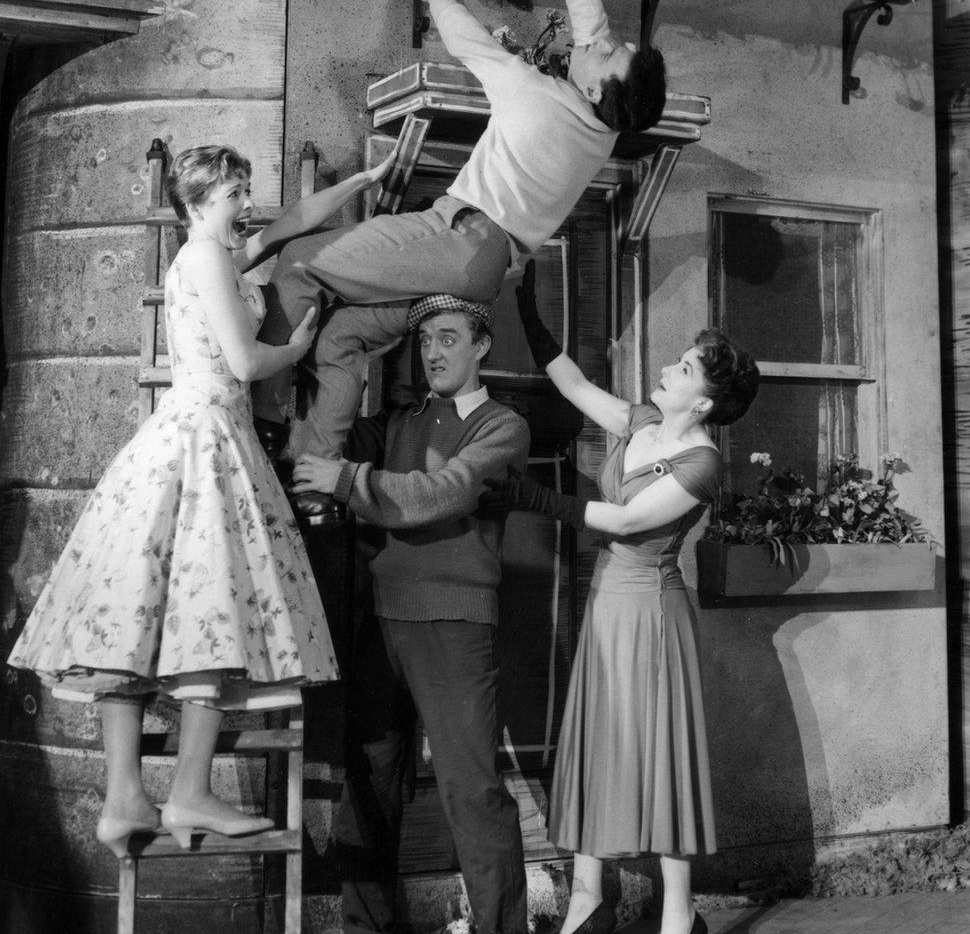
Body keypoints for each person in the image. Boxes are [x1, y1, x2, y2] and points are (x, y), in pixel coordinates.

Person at [5, 143, 393, 858]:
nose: (247, 204)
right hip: (206, 437)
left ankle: (130, 798)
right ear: (199, 201)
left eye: (245, 190)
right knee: (210, 599)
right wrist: (299, 345)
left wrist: (363, 182)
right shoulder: (207, 257)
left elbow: (291, 221)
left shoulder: (218, 252)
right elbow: (246, 362)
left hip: (201, 434)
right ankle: (187, 790)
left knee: (153, 607)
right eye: (234, 194)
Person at [252, 0, 667, 517]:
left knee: (297, 259)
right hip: (482, 276)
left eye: (607, 51)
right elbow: (593, 31)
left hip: (456, 240)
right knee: (340, 336)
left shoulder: (534, 95)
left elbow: (471, 42)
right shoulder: (602, 129)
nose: (603, 40)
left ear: (595, 86)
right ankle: (315, 485)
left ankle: (261, 420)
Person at [482, 263, 760, 934]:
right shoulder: (639, 422)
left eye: (687, 366)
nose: (670, 364)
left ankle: (674, 914)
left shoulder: (702, 462)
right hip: (607, 604)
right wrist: (527, 307)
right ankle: (587, 897)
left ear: (704, 402)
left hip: (652, 615)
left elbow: (630, 522)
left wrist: (533, 496)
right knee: (598, 742)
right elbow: (573, 385)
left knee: (659, 750)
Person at [289, 293, 531, 934]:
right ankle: (365, 928)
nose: (433, 354)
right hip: (382, 621)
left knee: (471, 789)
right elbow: (320, 441)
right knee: (366, 781)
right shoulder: (398, 422)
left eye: (449, 338)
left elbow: (442, 492)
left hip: (454, 627)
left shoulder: (501, 426)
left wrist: (345, 481)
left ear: (482, 345)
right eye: (425, 341)